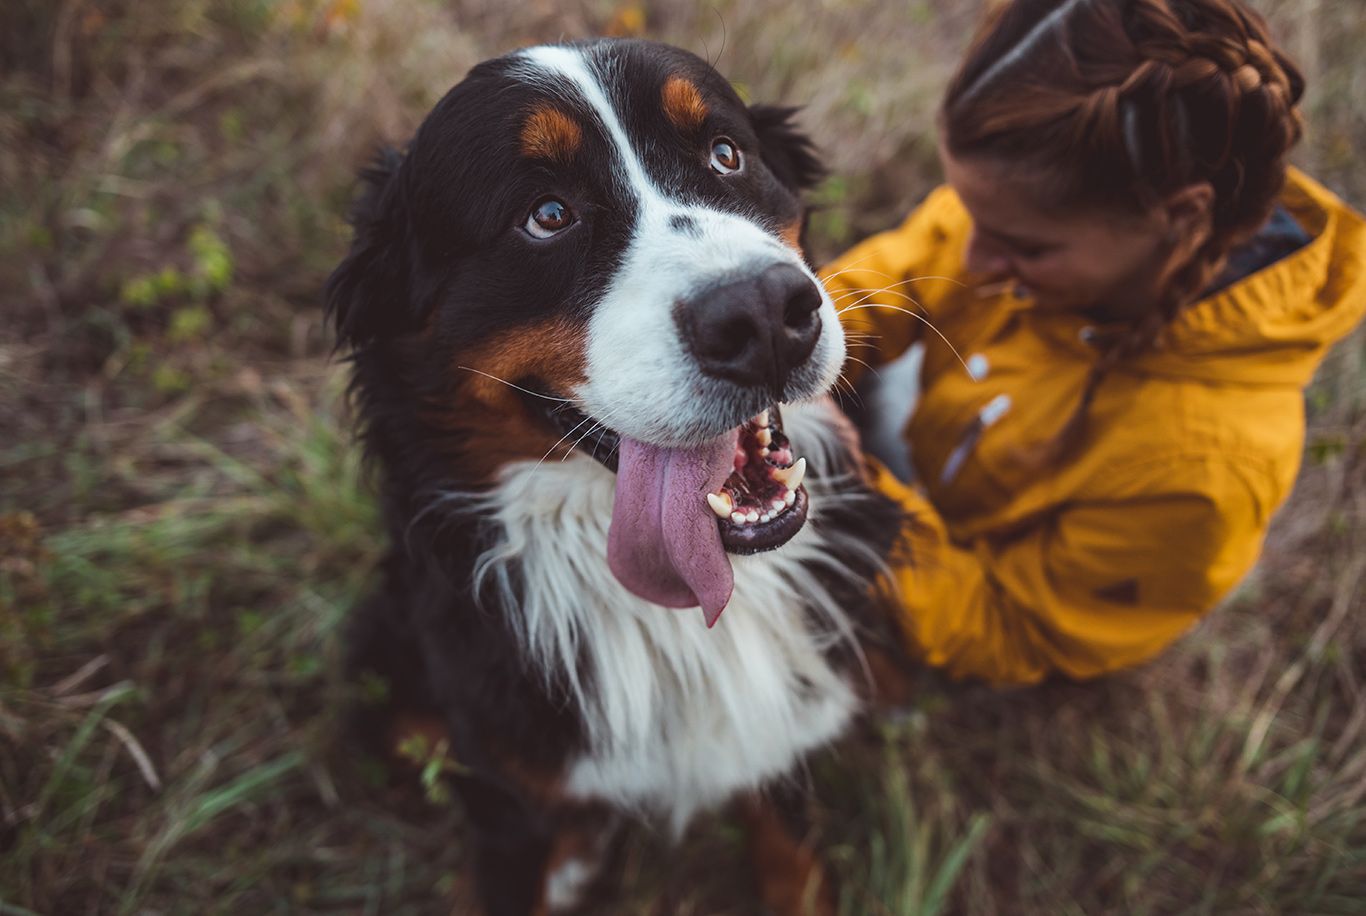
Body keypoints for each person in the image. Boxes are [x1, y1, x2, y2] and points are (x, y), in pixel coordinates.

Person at [822, 0, 1366, 684]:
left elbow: (1016, 626)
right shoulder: (1038, 205)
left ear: (1180, 216)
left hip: (970, 589)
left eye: (1025, 247)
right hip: (938, 445)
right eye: (970, 211)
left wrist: (852, 504)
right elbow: (908, 267)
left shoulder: (1206, 468)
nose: (975, 258)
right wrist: (795, 345)